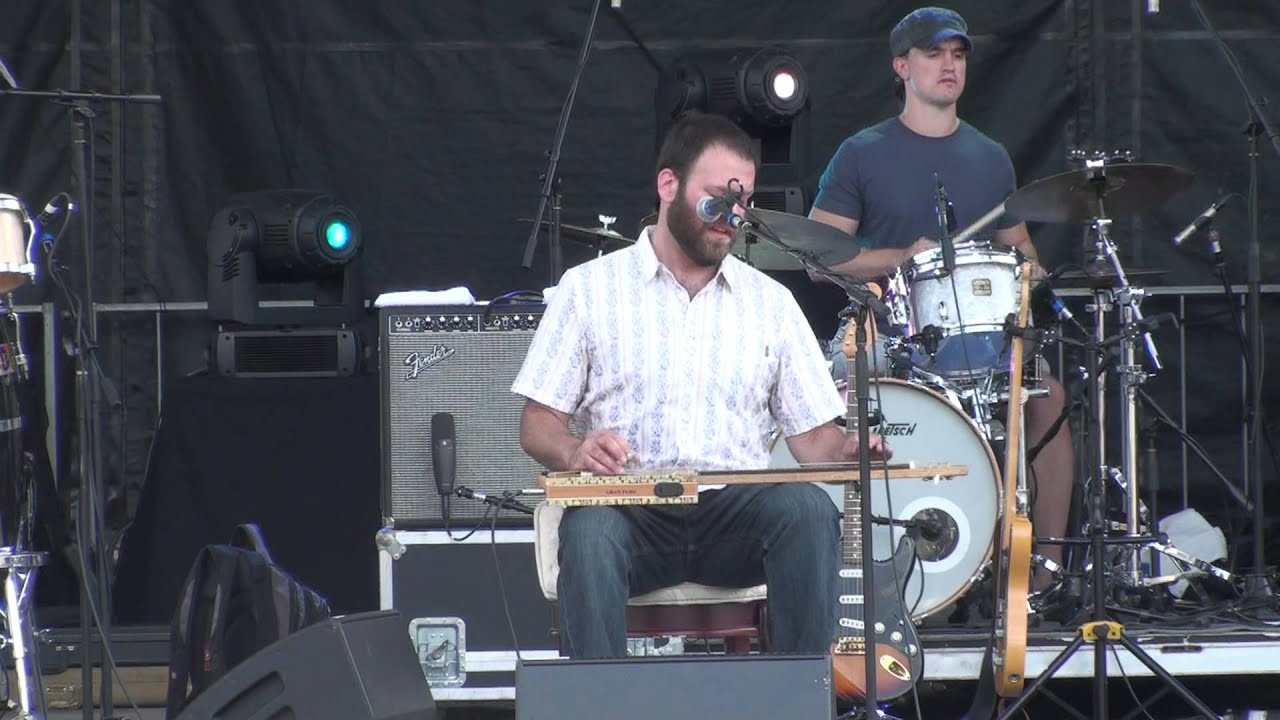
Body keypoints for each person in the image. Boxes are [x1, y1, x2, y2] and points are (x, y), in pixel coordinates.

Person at [512, 111, 890, 659]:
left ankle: (797, 702)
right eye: (715, 200)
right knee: (589, 534)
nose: (729, 219)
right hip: (629, 511)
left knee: (809, 511)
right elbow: (537, 424)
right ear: (668, 185)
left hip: (733, 516)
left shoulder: (771, 304)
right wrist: (575, 449)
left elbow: (815, 445)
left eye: (741, 206)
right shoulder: (589, 290)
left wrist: (847, 448)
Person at [807, 7, 1074, 587]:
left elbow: (1020, 248)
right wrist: (904, 256)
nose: (949, 65)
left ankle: (1044, 569)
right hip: (892, 333)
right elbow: (818, 257)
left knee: (1048, 391)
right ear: (902, 66)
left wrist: (1041, 277)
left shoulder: (990, 156)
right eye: (934, 54)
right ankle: (860, 573)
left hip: (983, 339)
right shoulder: (862, 152)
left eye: (958, 54)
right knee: (842, 389)